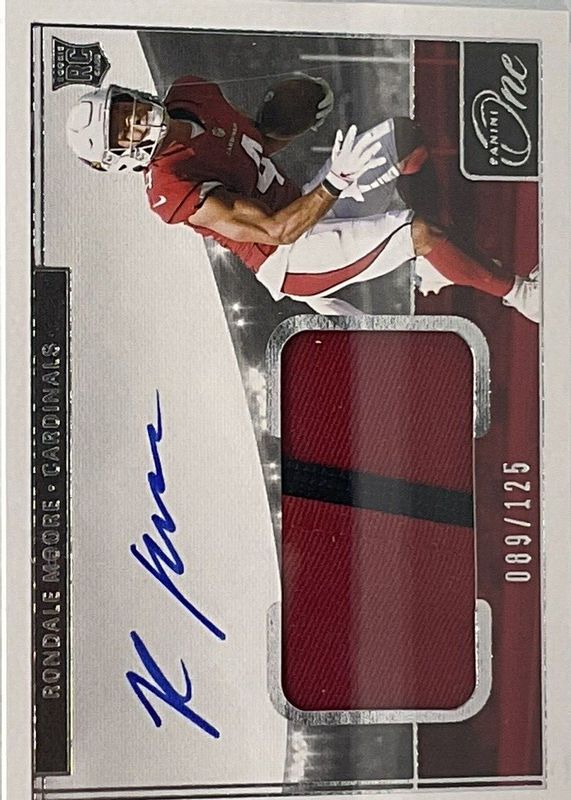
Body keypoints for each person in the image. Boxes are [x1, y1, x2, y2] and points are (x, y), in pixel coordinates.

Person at [66, 75, 539, 321]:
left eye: (123, 110)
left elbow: (255, 145)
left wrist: (296, 117)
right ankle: (523, 296)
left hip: (311, 202)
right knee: (420, 232)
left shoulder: (191, 94)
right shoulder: (169, 186)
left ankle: (433, 266)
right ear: (119, 158)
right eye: (121, 132)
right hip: (290, 256)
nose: (134, 121)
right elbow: (276, 230)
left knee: (405, 139)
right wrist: (335, 180)